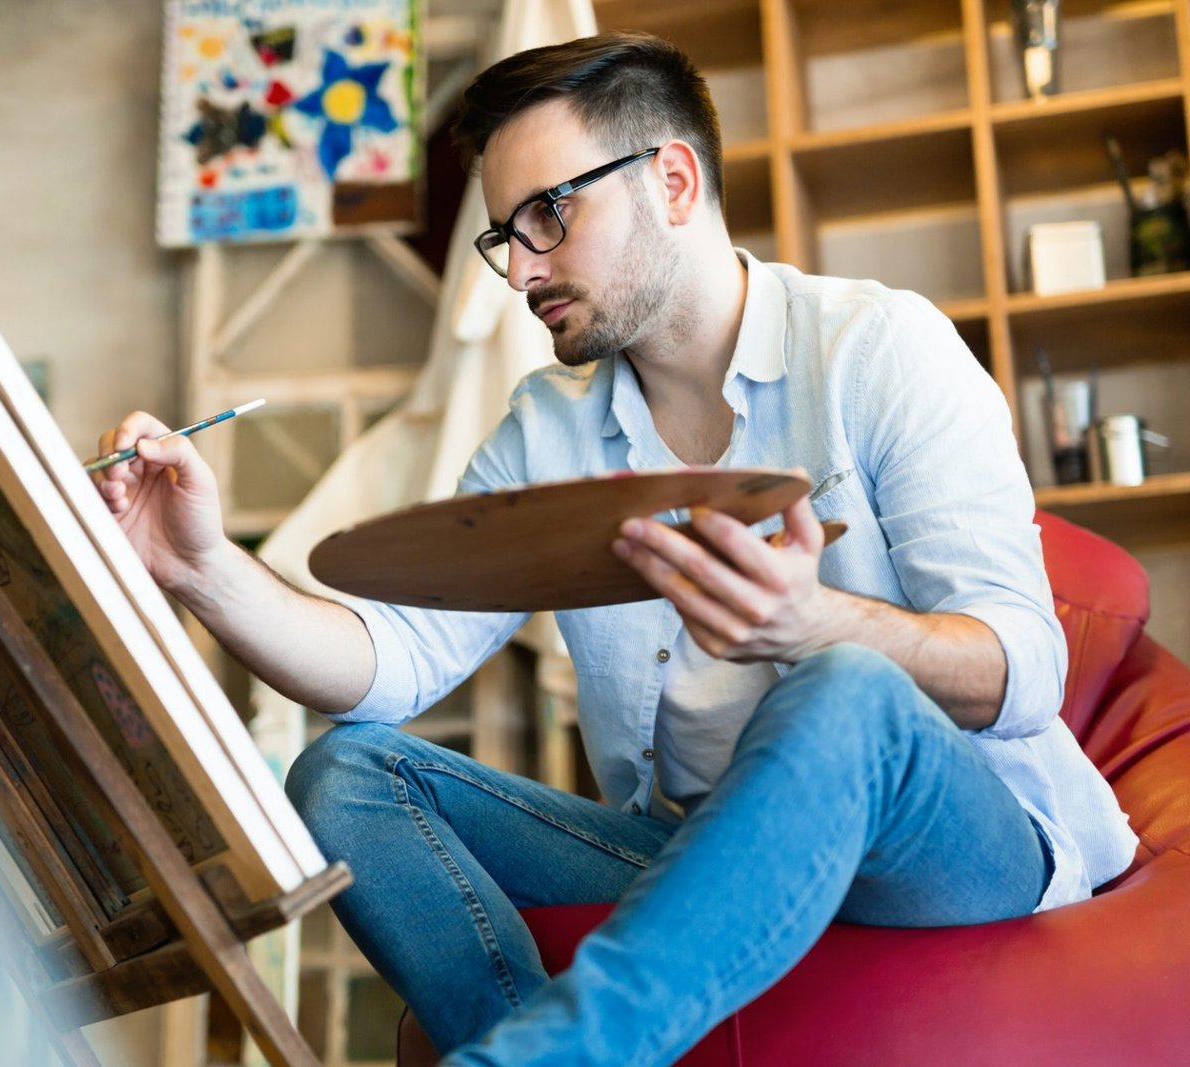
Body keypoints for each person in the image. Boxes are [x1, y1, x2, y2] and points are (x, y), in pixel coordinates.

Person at [96, 32, 1137, 1067]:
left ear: (673, 180)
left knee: (842, 687)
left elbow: (1024, 668)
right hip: (697, 850)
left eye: (550, 213)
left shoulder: (880, 348)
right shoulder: (545, 430)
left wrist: (814, 622)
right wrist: (196, 566)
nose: (523, 270)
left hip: (954, 841)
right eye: (505, 235)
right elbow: (391, 665)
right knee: (348, 773)